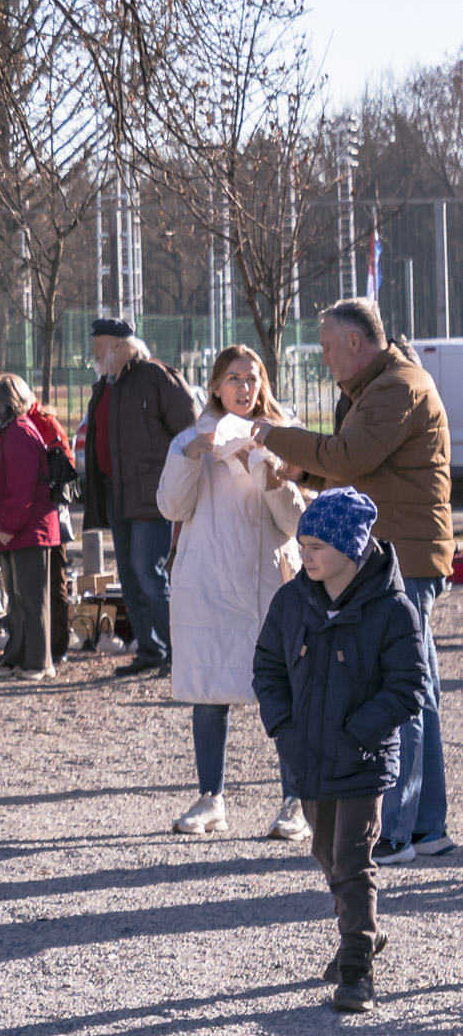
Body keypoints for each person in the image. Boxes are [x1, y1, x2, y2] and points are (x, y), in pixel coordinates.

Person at [253, 298, 453, 865]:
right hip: (403, 552)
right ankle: (426, 827)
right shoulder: (380, 385)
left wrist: (279, 437)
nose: (323, 359)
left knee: (401, 692)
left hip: (404, 558)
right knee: (421, 695)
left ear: (355, 343)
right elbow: (360, 464)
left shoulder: (396, 387)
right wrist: (307, 467)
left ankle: (396, 832)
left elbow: (352, 454)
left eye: (325, 347)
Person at [254, 487, 425, 1013]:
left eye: (316, 545)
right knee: (326, 853)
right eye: (301, 543)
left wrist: (358, 734)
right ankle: (365, 931)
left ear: (350, 548)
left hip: (364, 760)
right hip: (307, 755)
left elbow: (407, 686)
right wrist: (284, 729)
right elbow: (267, 669)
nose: (303, 554)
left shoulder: (393, 609)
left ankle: (356, 968)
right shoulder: (291, 602)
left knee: (352, 859)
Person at [157, 345, 308, 838]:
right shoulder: (190, 438)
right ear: (216, 386)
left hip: (268, 578)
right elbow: (170, 507)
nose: (245, 387)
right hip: (207, 580)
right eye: (234, 378)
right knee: (209, 690)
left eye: (253, 378)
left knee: (281, 690)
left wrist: (270, 476)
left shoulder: (283, 437)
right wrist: (189, 457)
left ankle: (295, 801)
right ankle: (211, 798)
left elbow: (296, 522)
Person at [83, 318, 198, 676]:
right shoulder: (106, 384)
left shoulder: (157, 377)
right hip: (117, 494)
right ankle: (151, 650)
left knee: (149, 574)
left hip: (153, 496)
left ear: (120, 345)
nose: (94, 354)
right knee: (132, 578)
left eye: (99, 347)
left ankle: (179, 652)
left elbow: (189, 433)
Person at [0, 374, 59, 680]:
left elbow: (20, 487)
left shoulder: (19, 433)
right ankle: (18, 656)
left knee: (31, 599)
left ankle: (38, 661)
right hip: (15, 532)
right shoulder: (8, 432)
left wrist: (8, 525)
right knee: (17, 598)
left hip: (26, 531)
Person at [12, 377, 75, 665]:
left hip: (52, 510)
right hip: (47, 509)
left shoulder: (44, 423)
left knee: (54, 580)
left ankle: (58, 644)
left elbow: (64, 470)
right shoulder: (34, 422)